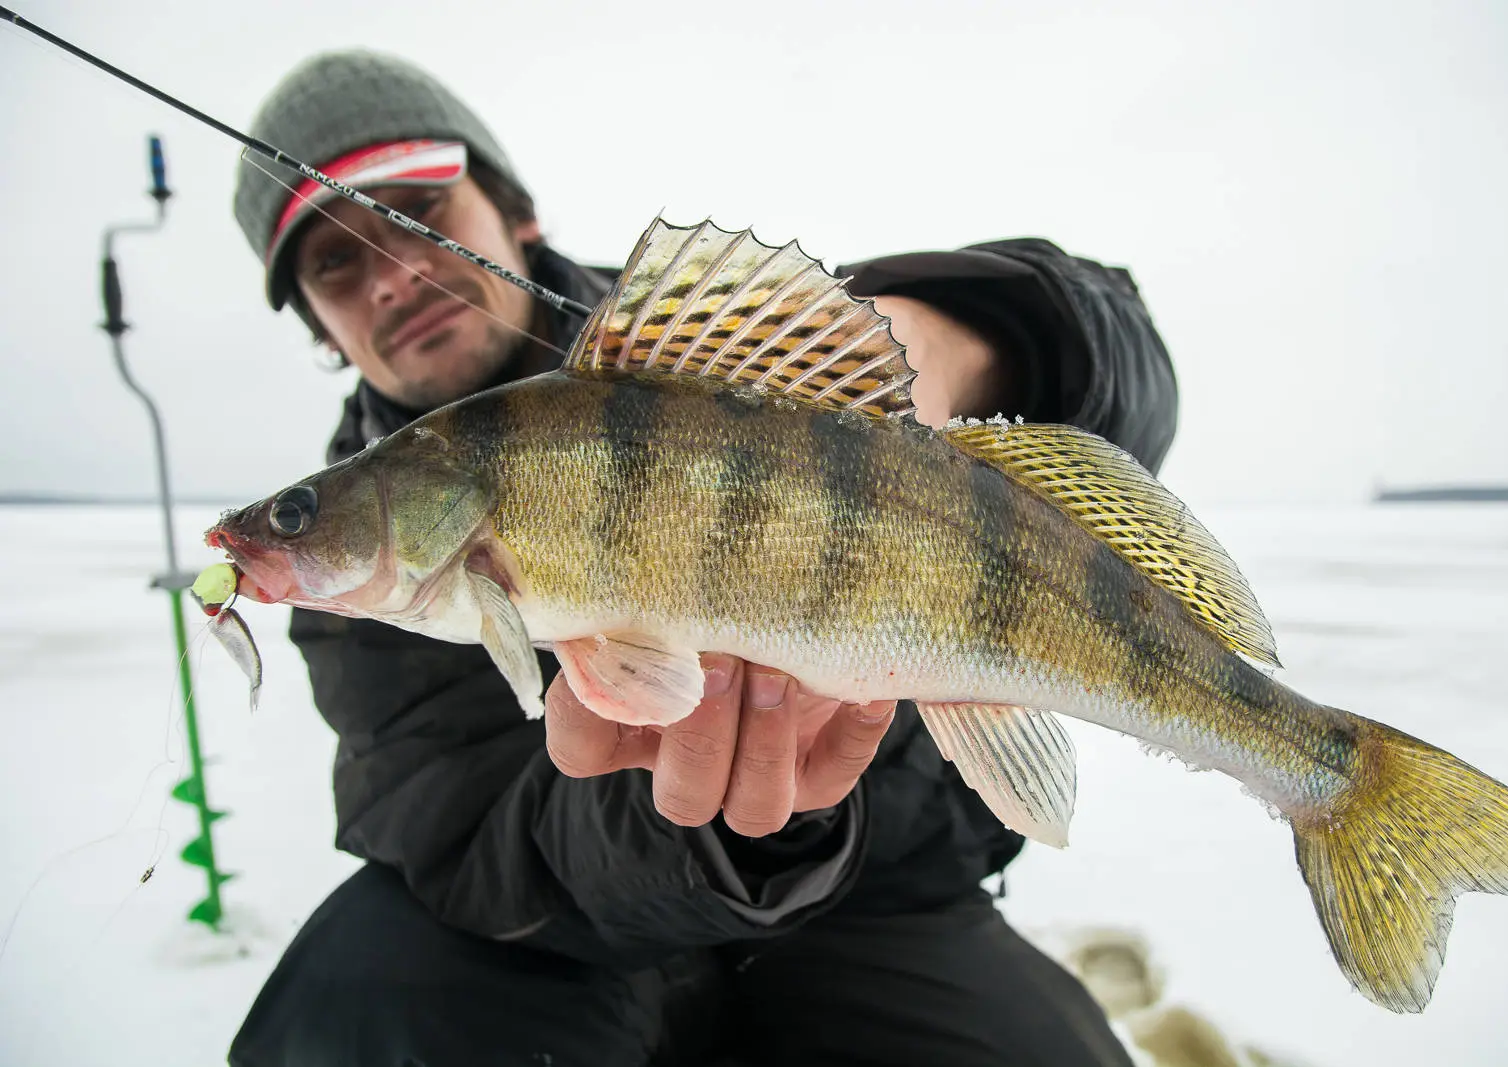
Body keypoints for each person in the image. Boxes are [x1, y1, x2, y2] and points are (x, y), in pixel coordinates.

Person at [225, 50, 1178, 1067]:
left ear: (514, 211)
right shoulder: (351, 602)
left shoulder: (740, 346)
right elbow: (477, 850)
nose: (387, 277)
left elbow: (1123, 346)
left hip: (881, 896)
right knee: (359, 984)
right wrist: (710, 836)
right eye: (333, 262)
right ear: (319, 325)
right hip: (583, 957)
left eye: (416, 210)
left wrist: (951, 339)